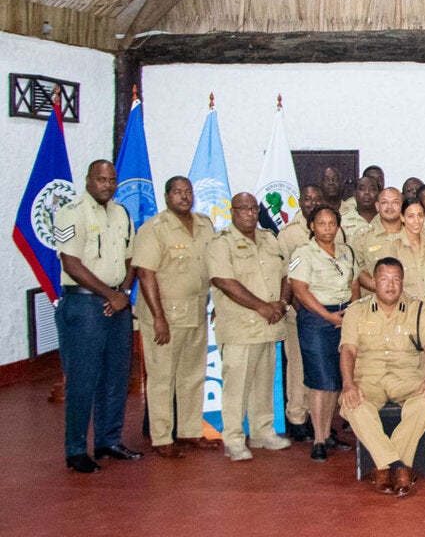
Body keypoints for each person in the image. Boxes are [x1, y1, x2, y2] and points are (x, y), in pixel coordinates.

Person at [54, 160, 140, 473]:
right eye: (101, 179)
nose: (107, 184)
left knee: (116, 377)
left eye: (111, 179)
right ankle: (76, 450)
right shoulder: (71, 211)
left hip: (118, 303)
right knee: (83, 380)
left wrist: (124, 292)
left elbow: (133, 258)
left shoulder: (121, 213)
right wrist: (111, 294)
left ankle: (108, 441)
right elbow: (71, 263)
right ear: (89, 180)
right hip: (86, 305)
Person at [338, 258, 425, 496]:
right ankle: (398, 467)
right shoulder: (357, 311)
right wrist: (348, 384)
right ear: (373, 282)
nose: (390, 285)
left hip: (406, 379)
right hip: (369, 379)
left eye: (396, 279)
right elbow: (348, 350)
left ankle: (383, 467)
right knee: (352, 404)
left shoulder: (418, 309)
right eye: (384, 279)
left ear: (403, 282)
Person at [132, 176, 216, 458]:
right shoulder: (154, 229)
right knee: (162, 378)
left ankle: (190, 431)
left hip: (195, 311)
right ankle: (161, 437)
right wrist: (158, 317)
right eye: (178, 192)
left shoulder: (205, 225)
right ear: (167, 197)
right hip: (165, 314)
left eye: (188, 191)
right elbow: (145, 274)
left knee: (192, 376)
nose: (184, 196)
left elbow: (212, 267)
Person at [207, 193, 293, 460]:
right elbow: (225, 282)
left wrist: (280, 302)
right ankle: (233, 438)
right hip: (240, 327)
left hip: (269, 325)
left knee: (263, 383)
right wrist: (261, 306)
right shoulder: (221, 243)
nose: (248, 213)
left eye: (253, 208)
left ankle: (262, 431)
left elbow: (286, 275)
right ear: (232, 212)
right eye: (242, 209)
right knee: (236, 386)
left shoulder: (269, 238)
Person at [288, 206, 361, 461]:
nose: (327, 228)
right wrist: (327, 315)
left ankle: (328, 432)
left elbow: (354, 283)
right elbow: (300, 290)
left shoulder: (346, 251)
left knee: (334, 379)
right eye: (322, 223)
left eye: (332, 223)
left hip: (344, 316)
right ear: (312, 226)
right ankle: (318, 439)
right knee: (319, 380)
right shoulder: (303, 253)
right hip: (317, 318)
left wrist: (351, 311)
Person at [276, 184, 332, 442]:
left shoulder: (332, 227)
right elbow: (286, 276)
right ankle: (298, 418)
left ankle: (318, 420)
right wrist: (301, 308)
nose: (311, 202)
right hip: (301, 312)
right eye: (307, 199)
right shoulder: (288, 234)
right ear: (299, 202)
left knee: (322, 369)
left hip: (328, 314)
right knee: (299, 367)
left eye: (316, 198)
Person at [341, 176, 380, 240]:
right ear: (355, 194)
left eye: (371, 189)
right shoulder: (343, 220)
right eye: (362, 189)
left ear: (378, 194)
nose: (367, 192)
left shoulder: (385, 219)